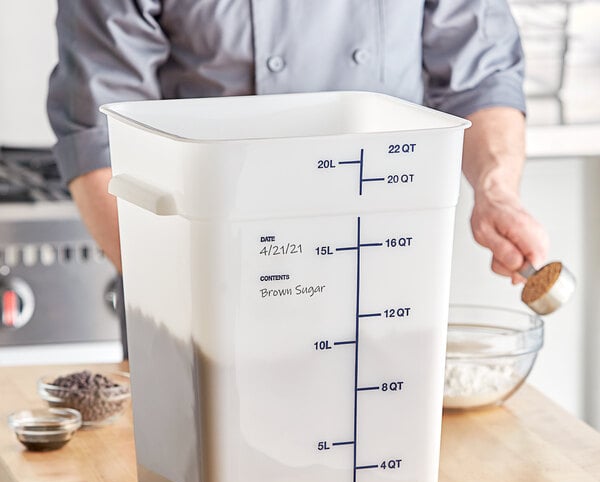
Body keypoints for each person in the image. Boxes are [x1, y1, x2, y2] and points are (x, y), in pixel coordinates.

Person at [48, 0, 548, 285]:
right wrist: (181, 302)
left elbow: (480, 77)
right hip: (204, 279)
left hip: (378, 280)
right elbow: (103, 139)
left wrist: (495, 190)